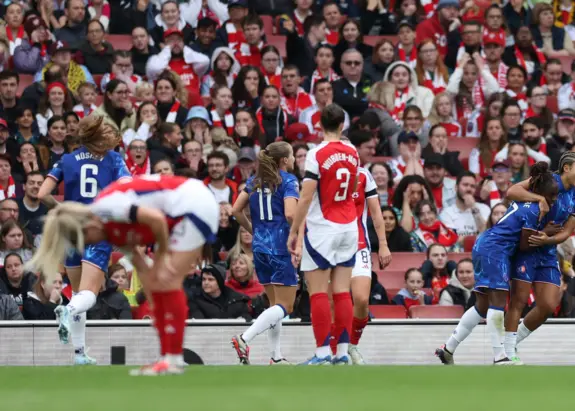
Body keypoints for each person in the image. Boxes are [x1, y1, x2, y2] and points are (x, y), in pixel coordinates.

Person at [28, 174, 219, 375]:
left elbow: (157, 221)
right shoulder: (110, 230)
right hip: (183, 210)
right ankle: (167, 358)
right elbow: (141, 264)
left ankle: (172, 359)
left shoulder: (108, 208)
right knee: (160, 286)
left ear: (86, 228)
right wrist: (155, 299)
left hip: (194, 204)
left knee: (168, 281)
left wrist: (161, 258)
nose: (87, 246)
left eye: (83, 241)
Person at [435, 162, 559, 365]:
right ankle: (499, 356)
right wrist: (547, 234)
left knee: (482, 305)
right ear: (542, 193)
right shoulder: (534, 210)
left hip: (484, 244)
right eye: (552, 196)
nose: (554, 200)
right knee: (498, 302)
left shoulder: (524, 200)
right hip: (496, 250)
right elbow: (525, 245)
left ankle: (448, 348)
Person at [35, 115, 128, 366]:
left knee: (77, 292)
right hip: (97, 228)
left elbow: (42, 194)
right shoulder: (113, 159)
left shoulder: (66, 159)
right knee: (89, 294)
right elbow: (128, 188)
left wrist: (64, 210)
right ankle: (66, 311)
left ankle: (78, 354)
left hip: (71, 229)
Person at [287, 104, 359, 365]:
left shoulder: (316, 154)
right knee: (342, 292)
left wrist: (294, 230)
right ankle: (341, 353)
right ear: (342, 125)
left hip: (322, 228)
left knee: (317, 291)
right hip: (348, 225)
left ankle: (321, 353)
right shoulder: (353, 152)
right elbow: (352, 188)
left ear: (319, 125)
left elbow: (306, 197)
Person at [504, 151, 575, 364]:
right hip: (526, 245)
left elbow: (568, 231)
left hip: (547, 250)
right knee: (519, 301)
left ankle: (513, 342)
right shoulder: (547, 181)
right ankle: (507, 351)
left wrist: (547, 240)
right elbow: (512, 191)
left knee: (548, 305)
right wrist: (539, 197)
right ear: (566, 168)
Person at [229, 142, 299, 365]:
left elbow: (235, 210)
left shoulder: (254, 181)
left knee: (274, 306)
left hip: (259, 248)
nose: (295, 159)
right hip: (280, 247)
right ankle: (244, 338)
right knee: (286, 307)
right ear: (285, 161)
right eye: (292, 156)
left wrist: (253, 230)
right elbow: (290, 213)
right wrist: (298, 236)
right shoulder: (288, 181)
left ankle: (275, 357)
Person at [343, 131, 392, 364]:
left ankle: (352, 346)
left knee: (361, 299)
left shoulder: (363, 176)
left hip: (359, 245)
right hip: (330, 247)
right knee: (336, 301)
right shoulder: (321, 178)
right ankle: (333, 350)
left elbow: (376, 213)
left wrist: (383, 245)